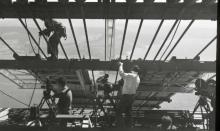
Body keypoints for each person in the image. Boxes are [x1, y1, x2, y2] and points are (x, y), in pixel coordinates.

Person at [116, 62, 140, 127]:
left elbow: (121, 73)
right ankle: (128, 126)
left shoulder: (131, 75)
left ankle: (120, 126)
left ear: (132, 70)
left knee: (118, 111)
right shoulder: (138, 78)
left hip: (126, 96)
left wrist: (121, 65)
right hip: (132, 97)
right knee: (128, 112)